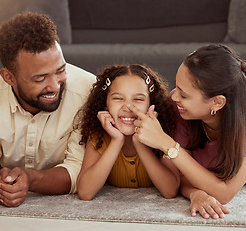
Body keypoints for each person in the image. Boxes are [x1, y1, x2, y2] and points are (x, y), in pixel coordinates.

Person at [128, 44, 246, 219]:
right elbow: (184, 176)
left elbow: (225, 193)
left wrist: (166, 143)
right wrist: (197, 194)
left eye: (184, 94)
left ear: (217, 102)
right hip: (216, 146)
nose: (174, 96)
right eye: (177, 87)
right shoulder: (179, 106)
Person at [0, 12, 96, 207]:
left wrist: (29, 180)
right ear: (8, 77)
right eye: (40, 78)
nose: (55, 85)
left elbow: (80, 170)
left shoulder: (87, 92)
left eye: (60, 71)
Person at [76, 64, 181, 200]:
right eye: (118, 98)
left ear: (151, 105)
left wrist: (139, 141)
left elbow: (170, 191)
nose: (128, 106)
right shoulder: (98, 134)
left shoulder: (163, 132)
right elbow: (85, 192)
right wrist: (116, 141)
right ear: (105, 104)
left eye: (138, 99)